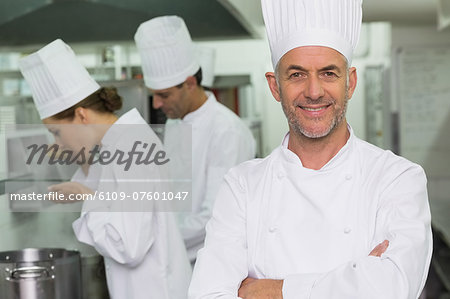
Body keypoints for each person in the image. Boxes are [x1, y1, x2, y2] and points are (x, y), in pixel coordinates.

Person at [188, 0, 433, 298]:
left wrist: (272, 290)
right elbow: (207, 294)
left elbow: (393, 287)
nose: (314, 92)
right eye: (297, 74)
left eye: (329, 73)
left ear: (350, 83)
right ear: (275, 86)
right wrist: (357, 280)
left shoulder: (397, 178)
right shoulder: (242, 186)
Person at [19, 39, 191, 299]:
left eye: (56, 132)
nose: (57, 142)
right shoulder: (117, 144)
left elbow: (128, 247)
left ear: (81, 115)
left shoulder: (132, 147)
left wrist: (85, 196)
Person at [134, 16, 256, 263]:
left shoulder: (226, 131)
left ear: (189, 83)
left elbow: (214, 215)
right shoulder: (174, 122)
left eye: (163, 95)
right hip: (173, 255)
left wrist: (152, 238)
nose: (157, 104)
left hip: (208, 262)